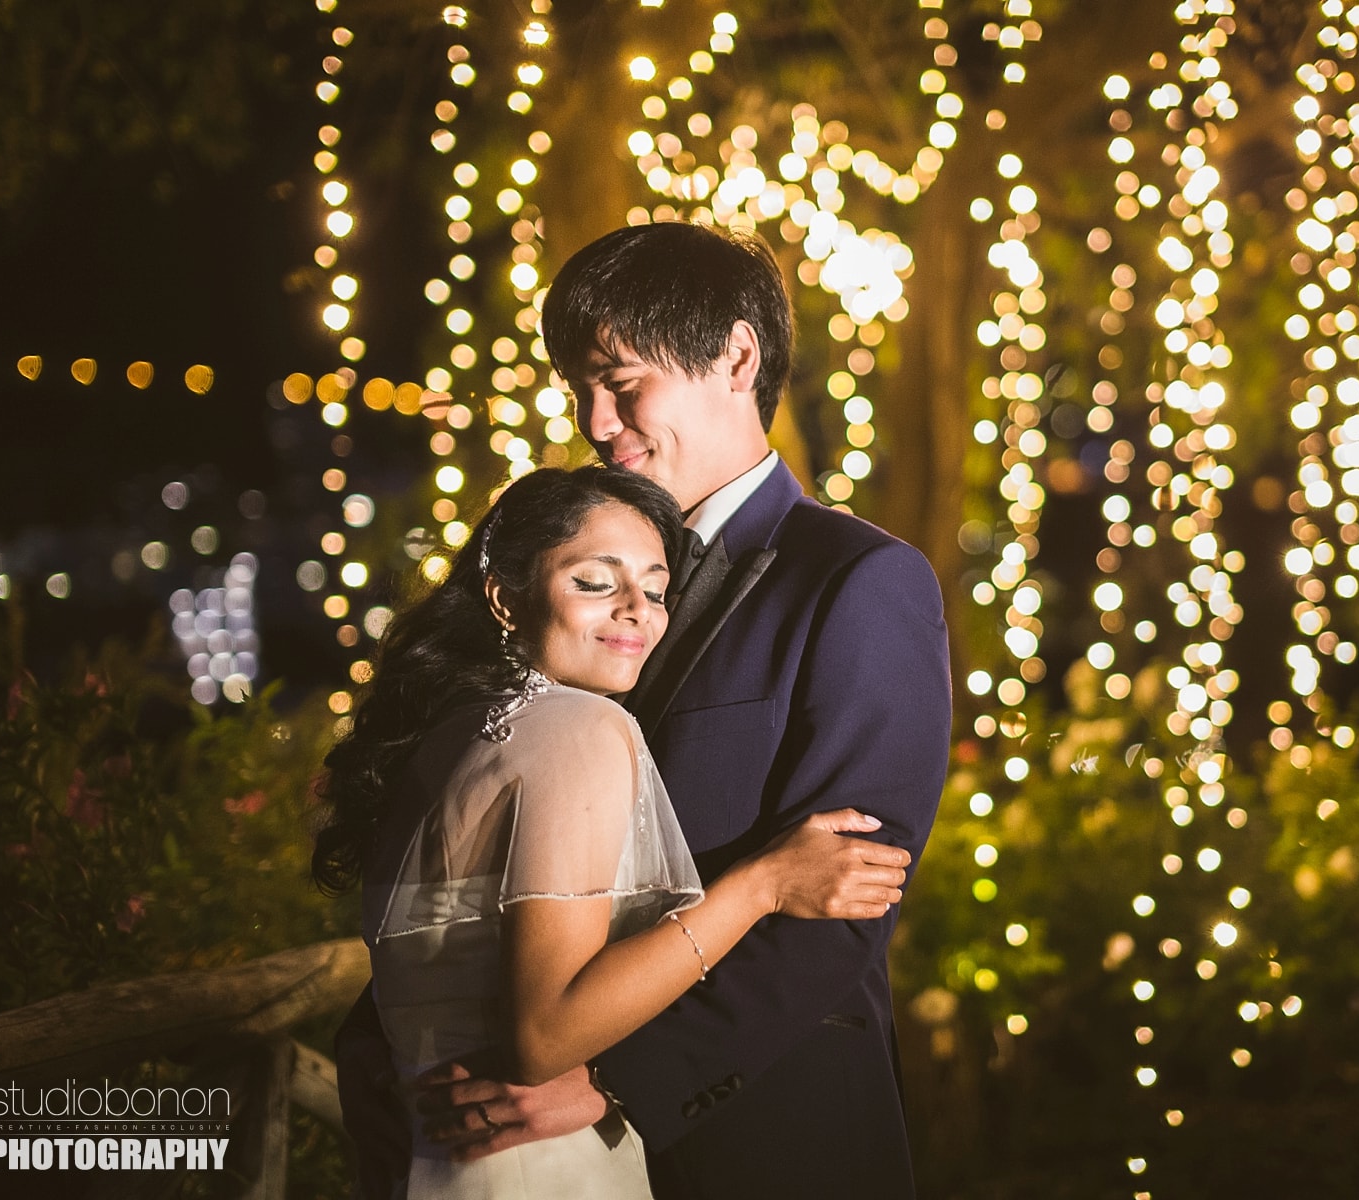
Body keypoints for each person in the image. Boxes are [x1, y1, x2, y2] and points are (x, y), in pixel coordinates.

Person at [335, 221, 953, 1198]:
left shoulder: (858, 581)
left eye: (621, 383)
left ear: (737, 357)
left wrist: (612, 1081)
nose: (595, 418)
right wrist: (387, 1050)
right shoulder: (562, 572)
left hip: (759, 1138)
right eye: (579, 389)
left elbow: (844, 908)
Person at [314, 465, 912, 1199]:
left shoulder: (440, 737)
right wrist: (761, 885)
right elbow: (544, 1038)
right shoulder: (579, 727)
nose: (637, 611)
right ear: (505, 597)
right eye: (596, 582)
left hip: (430, 1161)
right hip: (539, 1165)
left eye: (655, 591)